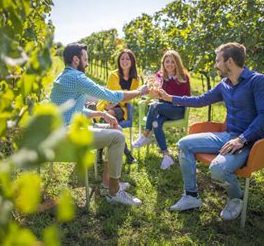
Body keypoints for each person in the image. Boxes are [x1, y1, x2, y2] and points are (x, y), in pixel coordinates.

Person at [157, 42, 264, 220]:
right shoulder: (224, 84)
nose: (215, 64)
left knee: (218, 169)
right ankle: (191, 196)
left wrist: (242, 139)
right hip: (228, 136)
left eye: (218, 60)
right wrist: (170, 98)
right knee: (183, 144)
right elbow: (201, 100)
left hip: (250, 141)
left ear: (230, 62)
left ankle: (236, 198)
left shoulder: (257, 81)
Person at [50, 43, 150, 206]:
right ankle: (114, 192)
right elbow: (110, 95)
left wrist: (100, 113)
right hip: (68, 136)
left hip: (64, 131)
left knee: (115, 128)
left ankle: (107, 183)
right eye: (86, 59)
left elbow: (72, 110)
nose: (88, 63)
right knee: (118, 137)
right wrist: (140, 91)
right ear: (76, 60)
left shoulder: (65, 76)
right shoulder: (76, 77)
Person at [132, 50, 191, 170]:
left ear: (177, 63)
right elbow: (158, 95)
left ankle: (145, 134)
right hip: (164, 109)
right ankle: (166, 156)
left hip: (177, 110)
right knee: (156, 123)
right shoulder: (160, 76)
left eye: (172, 62)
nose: (169, 64)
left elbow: (186, 99)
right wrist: (155, 94)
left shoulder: (183, 77)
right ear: (163, 63)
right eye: (167, 61)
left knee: (155, 106)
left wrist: (167, 98)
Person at [96, 49, 140, 164]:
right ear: (119, 61)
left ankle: (99, 152)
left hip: (121, 108)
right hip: (107, 105)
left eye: (127, 58)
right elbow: (116, 95)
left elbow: (127, 98)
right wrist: (122, 96)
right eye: (122, 58)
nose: (124, 61)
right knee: (109, 117)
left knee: (108, 116)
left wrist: (120, 98)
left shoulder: (135, 79)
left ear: (132, 61)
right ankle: (128, 154)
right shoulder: (113, 75)